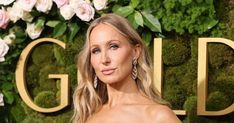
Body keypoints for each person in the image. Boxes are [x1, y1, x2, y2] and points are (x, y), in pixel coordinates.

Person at [71, 13, 181, 123]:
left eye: (114, 46)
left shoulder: (158, 116)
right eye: (96, 50)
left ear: (135, 51)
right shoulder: (87, 115)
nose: (104, 59)